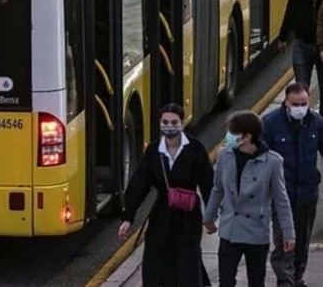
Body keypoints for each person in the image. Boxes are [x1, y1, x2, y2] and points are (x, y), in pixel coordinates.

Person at [118, 103, 214, 287]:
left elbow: (208, 183)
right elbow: (140, 184)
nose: (169, 126)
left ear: (182, 123)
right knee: (156, 264)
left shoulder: (195, 149)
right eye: (165, 122)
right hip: (161, 216)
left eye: (174, 121)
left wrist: (210, 216)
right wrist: (128, 217)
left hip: (189, 217)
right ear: (160, 123)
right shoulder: (154, 151)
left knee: (188, 264)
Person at [203, 110, 295, 287]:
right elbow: (218, 189)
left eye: (232, 133)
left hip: (256, 234)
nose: (228, 137)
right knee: (226, 282)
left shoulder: (272, 162)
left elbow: (281, 200)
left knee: (256, 281)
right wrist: (208, 217)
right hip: (230, 231)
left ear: (246, 137)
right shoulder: (225, 155)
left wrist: (288, 233)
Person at [262, 82, 323, 287]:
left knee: (302, 240)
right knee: (285, 239)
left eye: (304, 103)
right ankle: (285, 279)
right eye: (295, 104)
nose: (300, 108)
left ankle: (297, 276)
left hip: (307, 192)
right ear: (286, 103)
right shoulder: (270, 124)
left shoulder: (316, 123)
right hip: (282, 194)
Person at [278, 0, 323, 115]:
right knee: (301, 86)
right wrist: (282, 37)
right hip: (302, 43)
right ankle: (302, 119)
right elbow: (291, 11)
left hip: (321, 47)